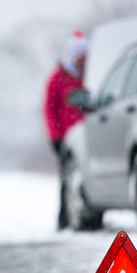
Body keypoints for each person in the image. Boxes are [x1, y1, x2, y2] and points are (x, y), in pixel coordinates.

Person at [44, 30, 89, 230]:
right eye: (80, 57)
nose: (82, 61)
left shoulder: (90, 76)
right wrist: (55, 137)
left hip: (88, 136)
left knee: (86, 176)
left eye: (85, 57)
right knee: (67, 178)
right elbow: (49, 110)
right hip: (66, 139)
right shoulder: (57, 78)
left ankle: (88, 216)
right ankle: (64, 220)